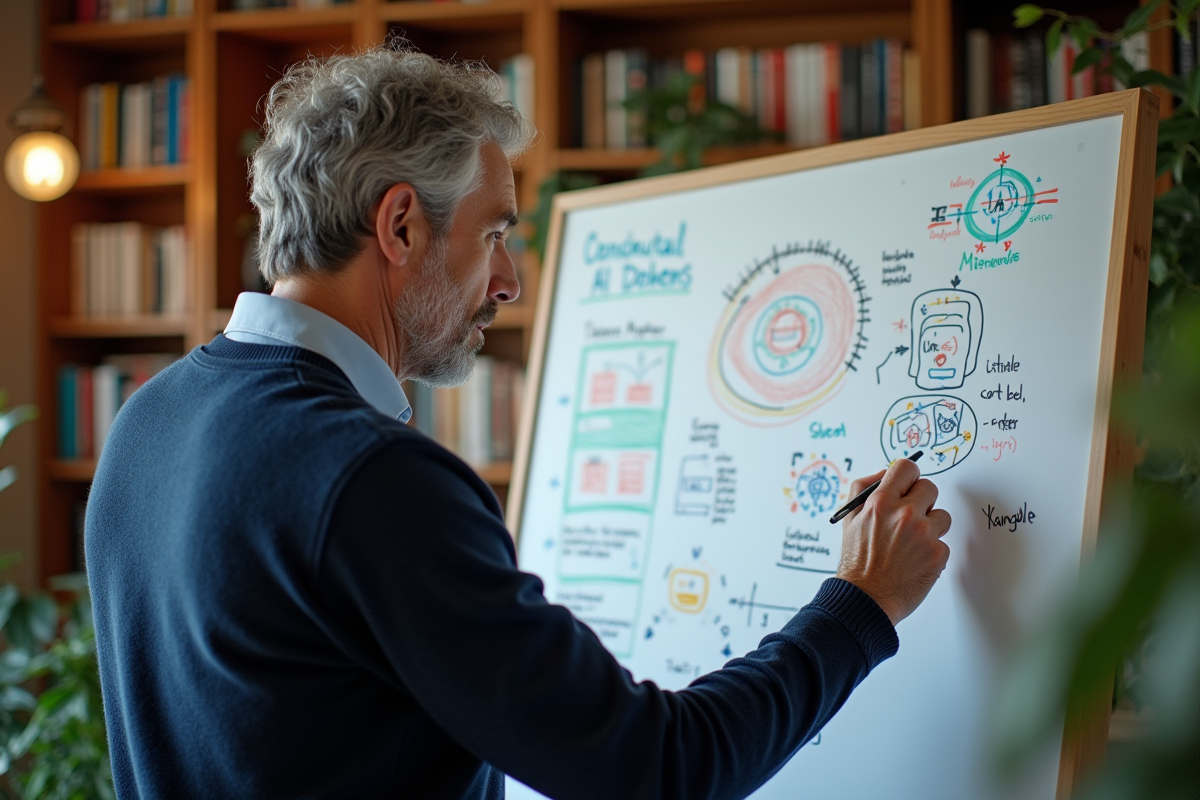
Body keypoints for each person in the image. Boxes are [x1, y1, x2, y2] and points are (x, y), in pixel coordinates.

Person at [86, 47, 952, 800]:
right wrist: (861, 604)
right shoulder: (373, 481)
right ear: (399, 225)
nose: (508, 282)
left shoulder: (147, 418)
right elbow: (659, 768)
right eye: (494, 233)